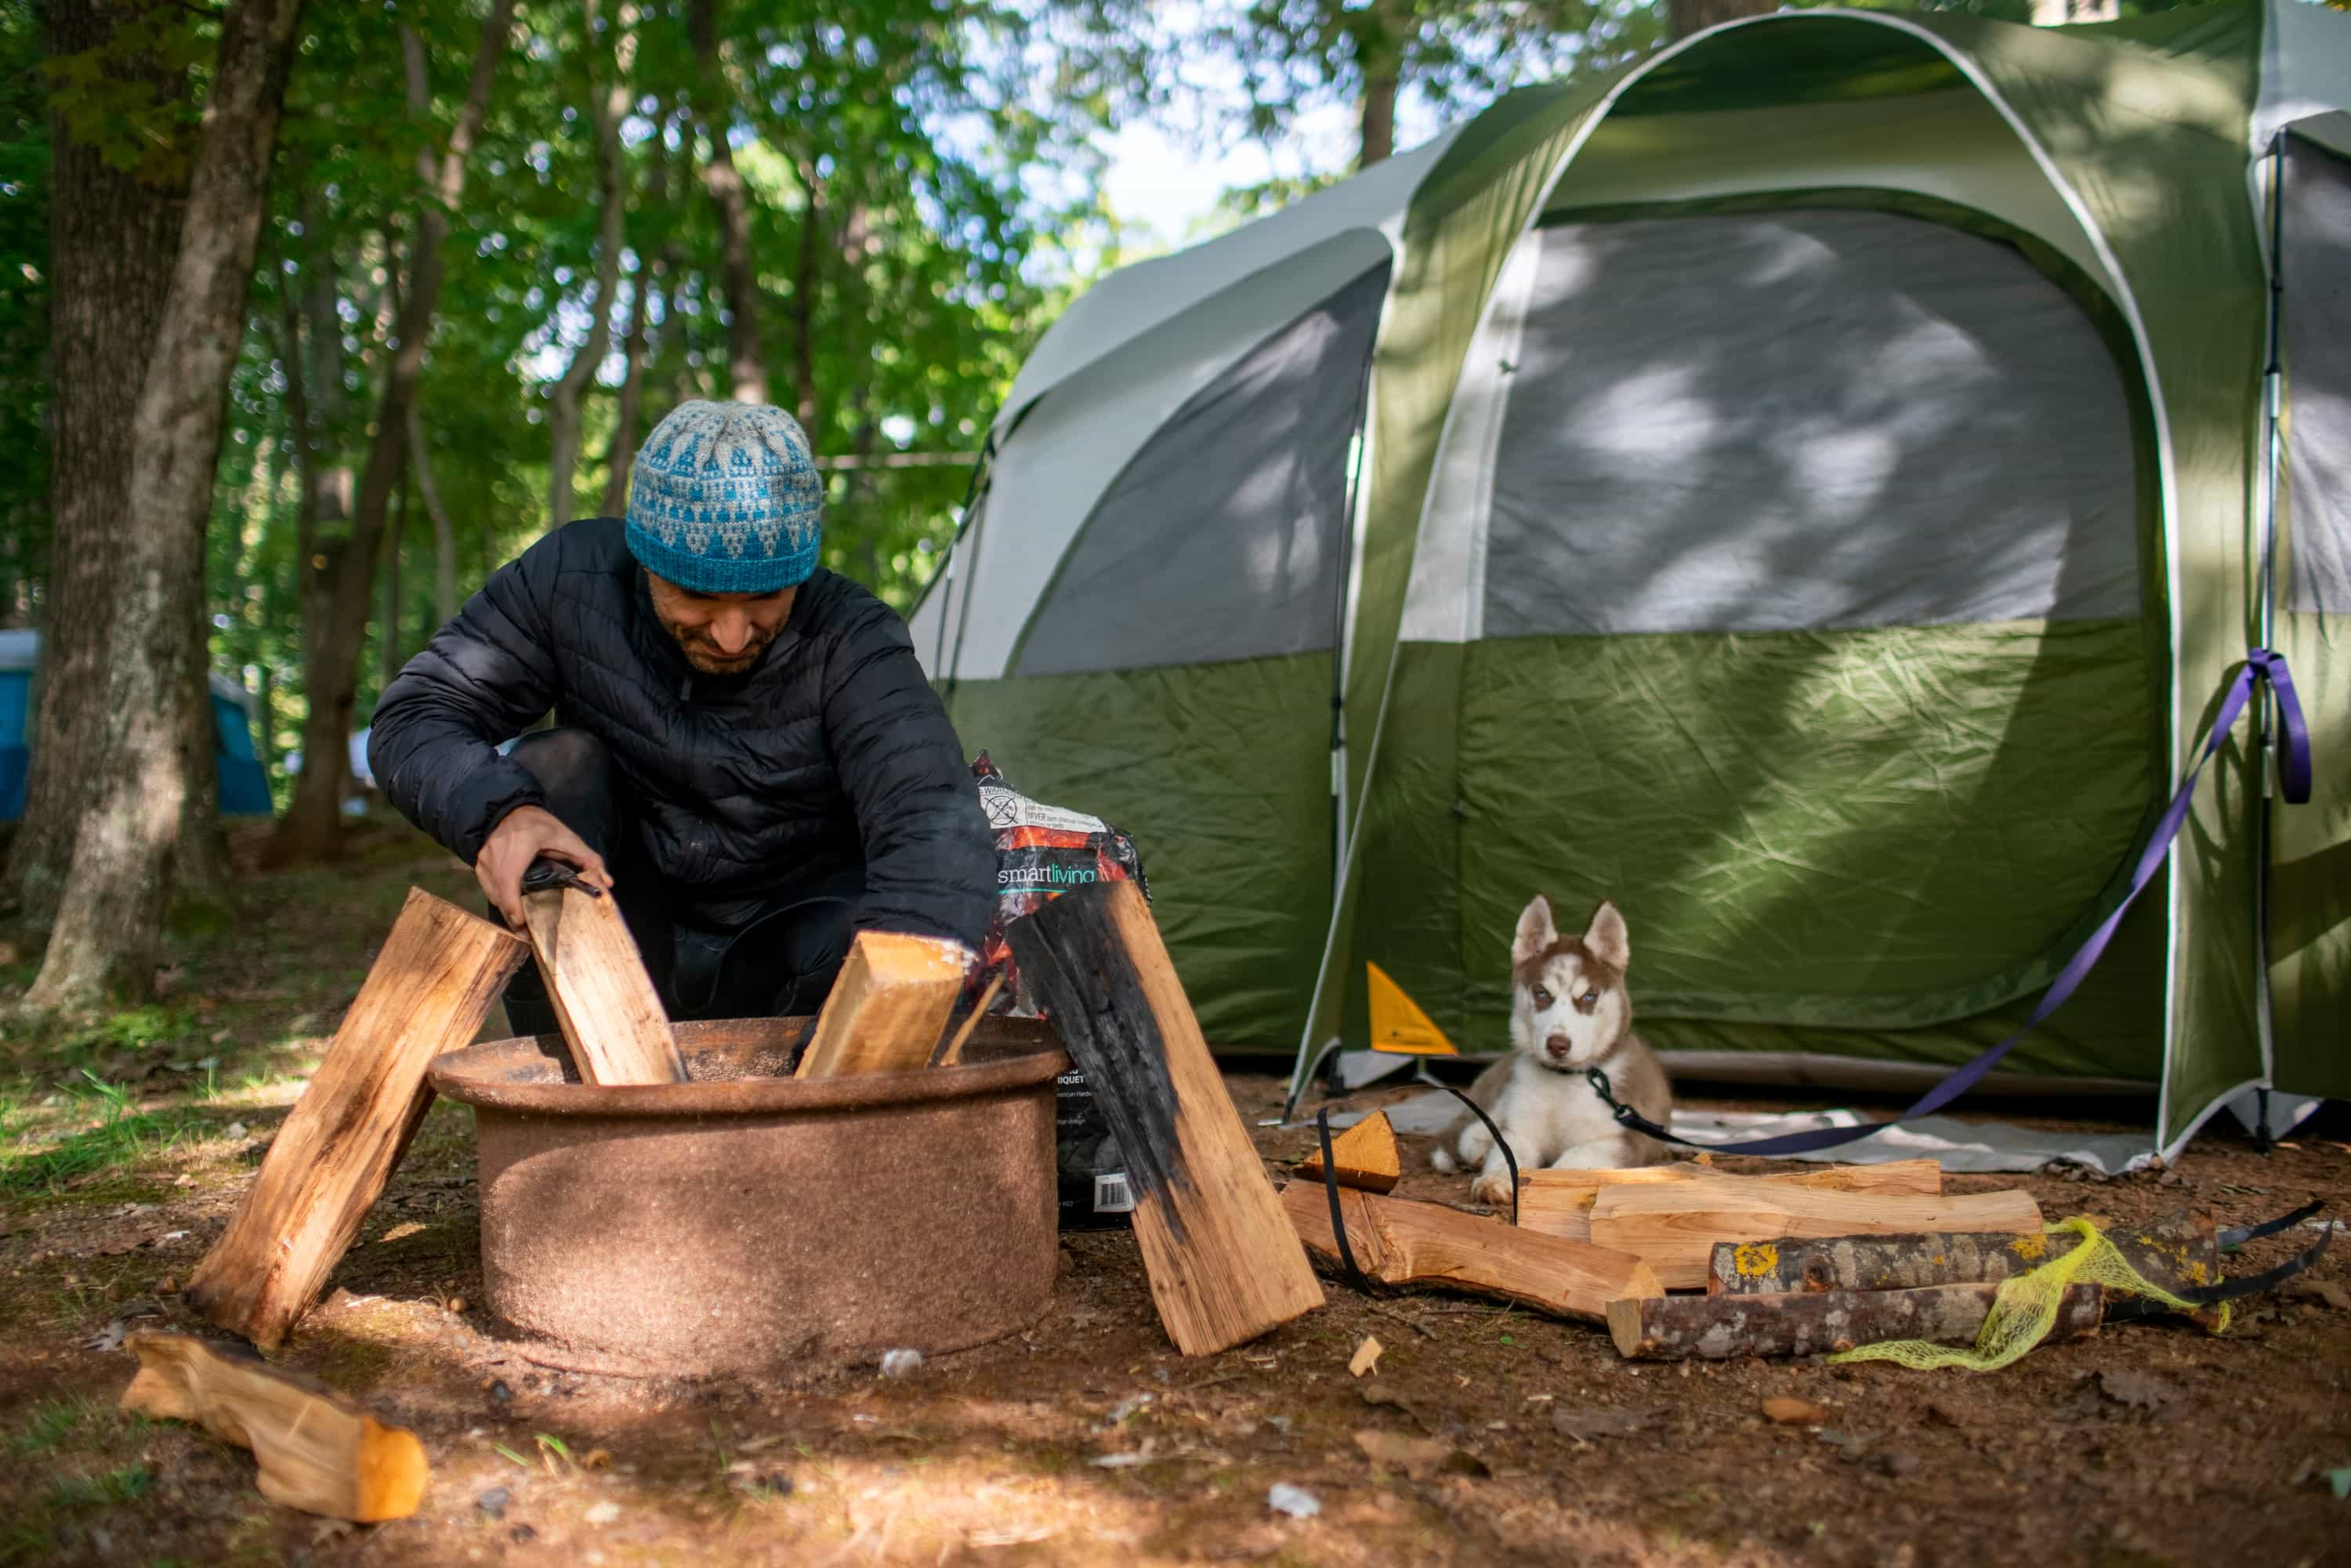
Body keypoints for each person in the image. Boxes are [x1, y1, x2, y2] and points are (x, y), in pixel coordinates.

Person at [368, 400, 992, 1030]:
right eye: (697, 596)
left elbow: (930, 819)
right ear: (647, 559)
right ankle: (578, 1086)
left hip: (793, 961)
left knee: (874, 920)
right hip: (623, 932)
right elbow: (415, 714)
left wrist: (884, 1020)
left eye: (765, 598)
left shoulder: (851, 637)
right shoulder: (570, 580)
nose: (730, 635)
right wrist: (500, 814)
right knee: (556, 766)